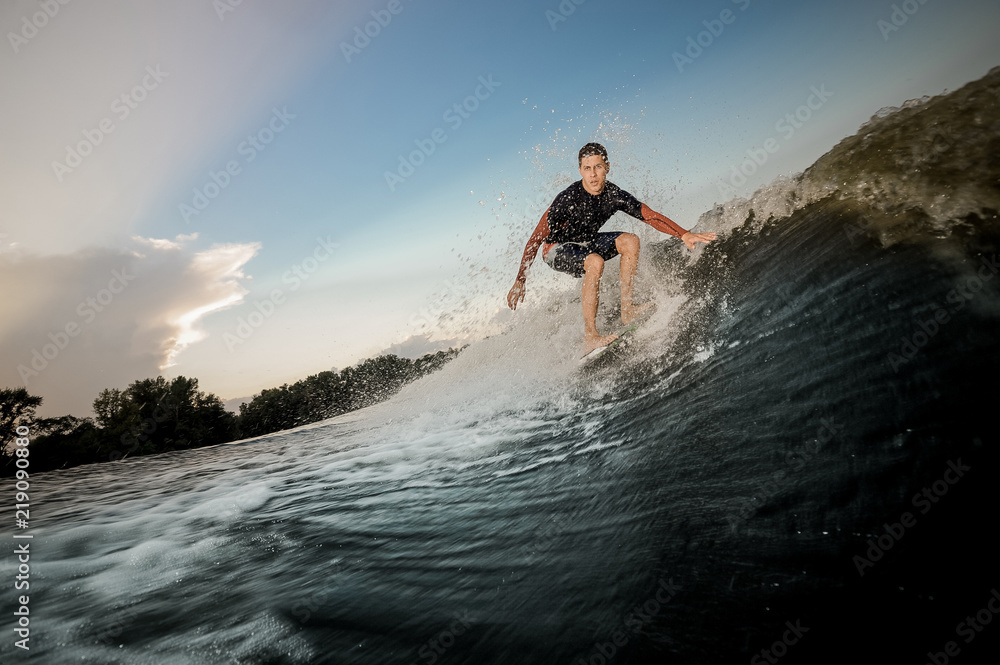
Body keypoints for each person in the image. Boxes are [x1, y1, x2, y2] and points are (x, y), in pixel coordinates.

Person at [506, 142, 716, 354]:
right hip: (555, 249)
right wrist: (520, 280)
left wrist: (683, 234)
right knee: (594, 261)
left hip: (586, 242)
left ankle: (628, 310)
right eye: (587, 168)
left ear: (607, 167)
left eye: (598, 167)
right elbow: (534, 240)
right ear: (580, 171)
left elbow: (649, 216)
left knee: (630, 241)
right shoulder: (566, 200)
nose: (593, 175)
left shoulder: (614, 195)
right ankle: (590, 337)